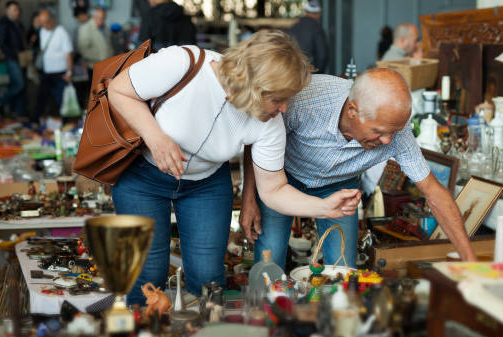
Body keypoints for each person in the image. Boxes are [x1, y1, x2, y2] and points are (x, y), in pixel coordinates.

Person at [107, 30, 360, 306]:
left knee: (208, 279)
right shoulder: (182, 64)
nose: (285, 109)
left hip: (205, 184)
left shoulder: (269, 123)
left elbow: (274, 189)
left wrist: (325, 207)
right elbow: (118, 90)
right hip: (142, 177)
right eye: (278, 99)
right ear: (253, 84)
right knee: (146, 271)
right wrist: (155, 137)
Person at [240, 69, 476, 270]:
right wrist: (249, 197)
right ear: (353, 111)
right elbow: (257, 139)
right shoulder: (305, 99)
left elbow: (434, 193)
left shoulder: (395, 132)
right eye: (379, 132)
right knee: (268, 260)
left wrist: (469, 260)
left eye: (393, 132)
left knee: (343, 268)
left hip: (341, 187)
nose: (387, 141)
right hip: (282, 180)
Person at [31, 10, 73, 123]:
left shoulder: (61, 32)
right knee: (41, 97)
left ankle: (66, 123)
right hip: (47, 72)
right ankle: (34, 121)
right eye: (41, 23)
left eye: (45, 23)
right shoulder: (42, 31)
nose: (43, 25)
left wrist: (69, 73)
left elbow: (68, 53)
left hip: (61, 73)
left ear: (51, 20)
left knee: (62, 100)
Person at [0, 1, 27, 117]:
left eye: (18, 9)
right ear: (7, 10)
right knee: (19, 85)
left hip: (22, 59)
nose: (17, 12)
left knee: (22, 86)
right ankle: (1, 102)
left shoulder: (18, 24)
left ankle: (19, 113)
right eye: (15, 9)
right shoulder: (4, 23)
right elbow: (2, 43)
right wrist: (15, 54)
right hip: (12, 59)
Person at [289, 0, 328, 73]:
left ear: (306, 12)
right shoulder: (317, 28)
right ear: (318, 14)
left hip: (295, 73)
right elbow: (322, 55)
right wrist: (318, 73)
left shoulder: (293, 27)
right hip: (311, 73)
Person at [77, 7, 112, 78]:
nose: (101, 20)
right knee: (95, 88)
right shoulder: (85, 29)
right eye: (98, 18)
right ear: (93, 16)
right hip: (94, 66)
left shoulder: (106, 28)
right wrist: (101, 57)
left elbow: (108, 45)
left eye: (103, 18)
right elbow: (83, 50)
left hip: (107, 65)